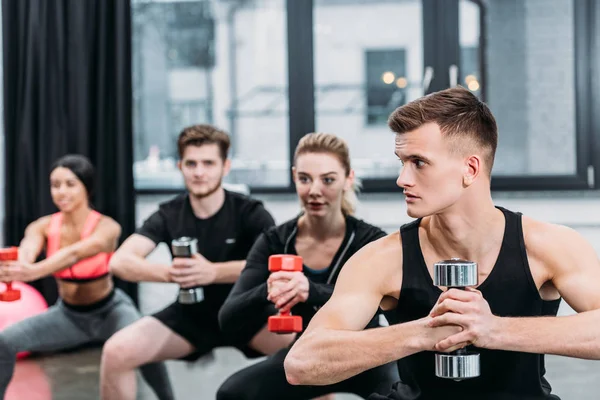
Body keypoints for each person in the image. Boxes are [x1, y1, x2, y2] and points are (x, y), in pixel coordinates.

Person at [284, 86, 600, 399]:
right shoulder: (383, 258)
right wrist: (423, 333)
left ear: (470, 168)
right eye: (402, 162)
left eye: (419, 162)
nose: (402, 179)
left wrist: (494, 330)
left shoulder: (548, 245)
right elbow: (302, 363)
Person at [100, 124, 281, 400]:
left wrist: (212, 272)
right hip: (192, 317)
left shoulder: (250, 212)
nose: (199, 172)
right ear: (180, 166)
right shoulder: (168, 214)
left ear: (225, 166)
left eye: (208, 163)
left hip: (250, 316)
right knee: (116, 352)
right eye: (191, 163)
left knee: (311, 357)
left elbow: (275, 264)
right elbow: (120, 262)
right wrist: (171, 273)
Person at [216, 132, 400, 400]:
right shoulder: (274, 241)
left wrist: (310, 290)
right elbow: (228, 317)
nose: (314, 190)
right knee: (232, 393)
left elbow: (387, 301)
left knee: (403, 392)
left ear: (348, 178)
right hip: (306, 355)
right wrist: (267, 290)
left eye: (327, 179)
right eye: (305, 179)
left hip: (366, 356)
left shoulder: (370, 240)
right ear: (294, 177)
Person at [0, 154, 174, 400]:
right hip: (68, 315)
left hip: (111, 311)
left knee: (145, 349)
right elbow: (28, 249)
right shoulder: (42, 226)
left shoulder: (107, 227)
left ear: (87, 188)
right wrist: (20, 265)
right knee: (5, 341)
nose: (62, 192)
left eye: (70, 184)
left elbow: (76, 253)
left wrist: (34, 271)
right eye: (55, 184)